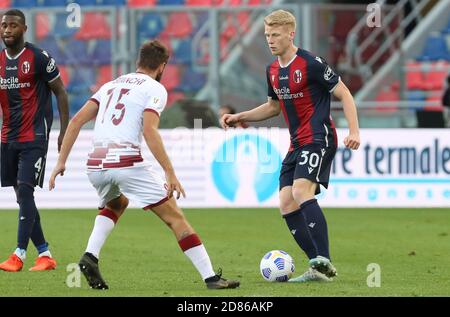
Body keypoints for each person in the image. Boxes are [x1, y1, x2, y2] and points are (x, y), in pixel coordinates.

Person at [49, 40, 240, 290]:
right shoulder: (155, 88)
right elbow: (150, 131)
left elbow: (75, 122)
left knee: (117, 203)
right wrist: (170, 173)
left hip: (95, 164)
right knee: (175, 217)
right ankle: (211, 278)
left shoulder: (110, 84)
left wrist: (60, 162)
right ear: (162, 66)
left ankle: (90, 257)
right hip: (125, 161)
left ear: (138, 62)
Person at [220, 10, 360, 282]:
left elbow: (344, 93)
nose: (270, 40)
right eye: (267, 35)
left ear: (290, 34)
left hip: (319, 138)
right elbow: (273, 107)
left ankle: (324, 260)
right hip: (296, 143)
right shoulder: (272, 70)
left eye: (275, 34)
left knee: (300, 190)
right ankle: (317, 268)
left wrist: (354, 130)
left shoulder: (311, 63)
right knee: (286, 203)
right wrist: (241, 116)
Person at [0, 9, 69, 272]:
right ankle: (45, 254)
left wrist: (63, 130)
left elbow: (60, 92)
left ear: (24, 29)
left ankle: (18, 255)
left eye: (13, 25)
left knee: (25, 190)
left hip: (35, 136)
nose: (7, 30)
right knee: (22, 196)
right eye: (4, 25)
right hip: (8, 137)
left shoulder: (38, 58)